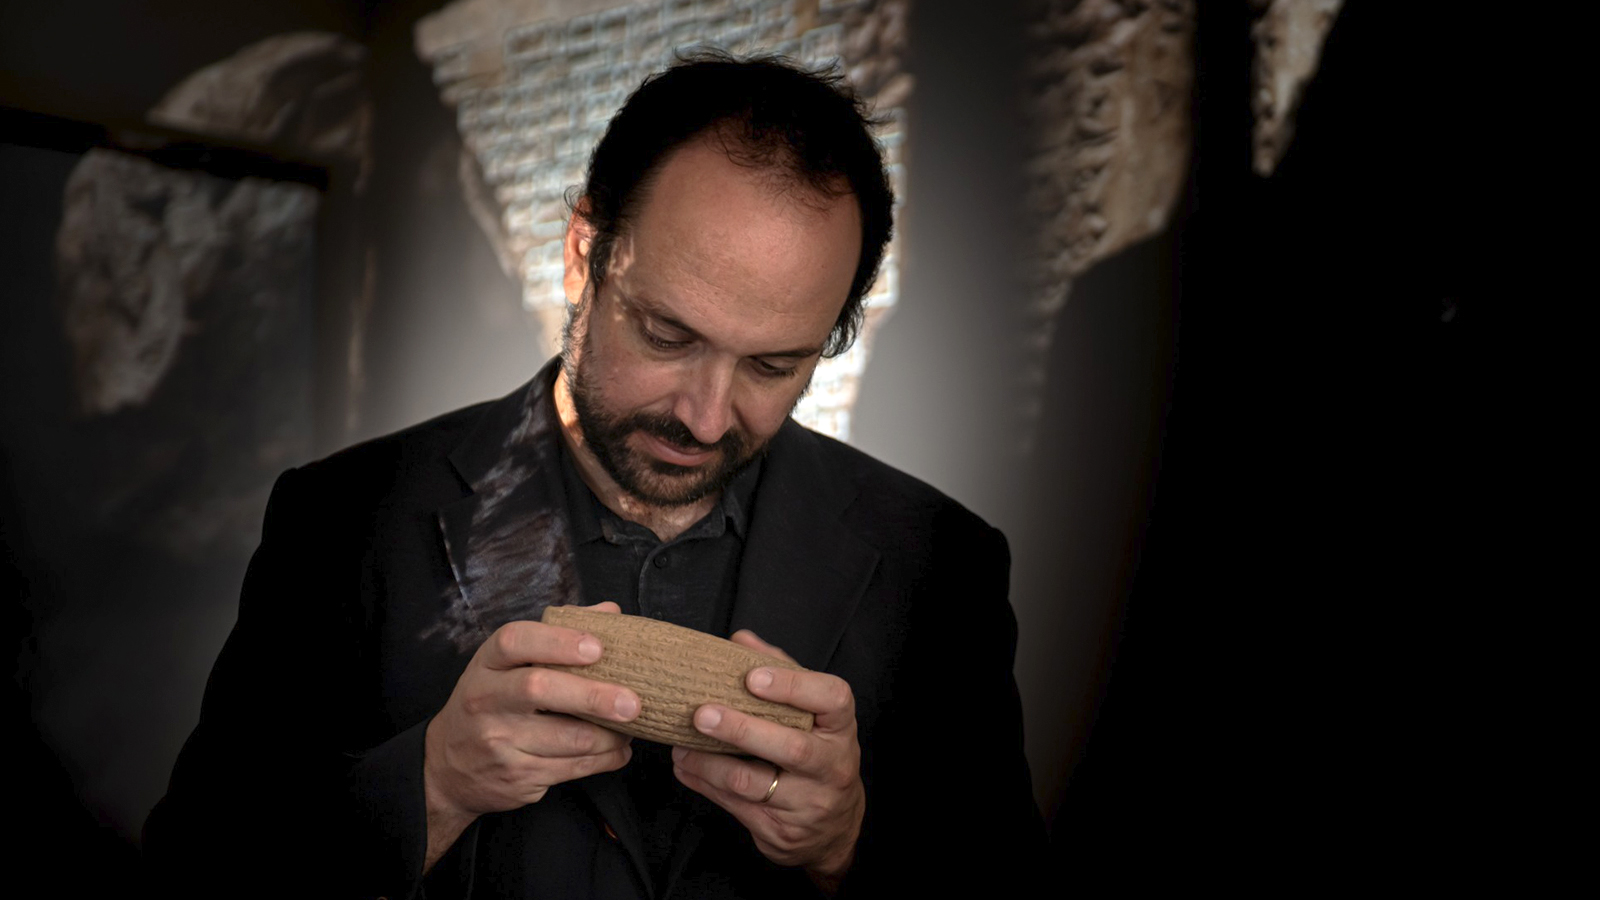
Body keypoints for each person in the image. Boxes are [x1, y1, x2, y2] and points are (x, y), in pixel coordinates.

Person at [145, 53, 1044, 899]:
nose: (704, 415)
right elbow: (197, 862)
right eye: (667, 336)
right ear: (584, 252)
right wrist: (433, 783)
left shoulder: (944, 563)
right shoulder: (342, 518)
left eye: (773, 367)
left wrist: (849, 843)